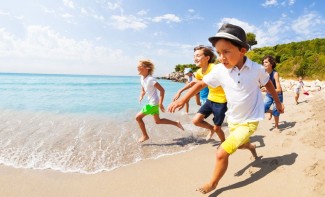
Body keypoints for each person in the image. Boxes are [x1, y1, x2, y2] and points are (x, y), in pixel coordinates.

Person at [168, 23, 284, 194]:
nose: (221, 57)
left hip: (250, 121)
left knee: (222, 152)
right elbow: (201, 83)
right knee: (241, 145)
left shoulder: (256, 69)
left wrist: (278, 102)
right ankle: (251, 147)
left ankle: (213, 184)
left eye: (226, 51)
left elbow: (267, 82)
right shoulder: (220, 70)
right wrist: (183, 98)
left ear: (242, 50)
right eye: (219, 53)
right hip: (233, 119)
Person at [173, 45, 227, 141]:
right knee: (196, 121)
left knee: (217, 128)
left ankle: (224, 144)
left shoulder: (215, 68)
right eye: (194, 56)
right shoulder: (199, 72)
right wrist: (179, 91)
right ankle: (211, 129)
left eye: (198, 56)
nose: (195, 59)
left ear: (207, 58)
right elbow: (192, 84)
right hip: (210, 99)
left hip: (222, 101)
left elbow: (200, 85)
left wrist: (183, 100)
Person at [136, 59, 184, 143]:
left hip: (153, 103)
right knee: (158, 121)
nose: (137, 67)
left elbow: (162, 90)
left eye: (139, 66)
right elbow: (143, 89)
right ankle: (176, 123)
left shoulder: (151, 79)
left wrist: (160, 103)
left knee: (138, 117)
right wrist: (141, 96)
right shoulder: (142, 78)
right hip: (152, 102)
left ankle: (145, 136)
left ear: (147, 68)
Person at [261, 55, 283, 131]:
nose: (264, 64)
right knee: (262, 109)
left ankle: (276, 126)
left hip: (278, 95)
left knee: (276, 112)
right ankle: (272, 111)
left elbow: (279, 89)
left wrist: (267, 90)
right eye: (263, 62)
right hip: (269, 95)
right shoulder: (263, 74)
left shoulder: (275, 74)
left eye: (266, 62)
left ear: (271, 64)